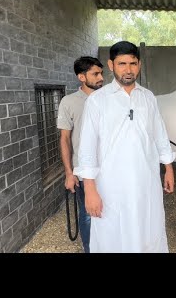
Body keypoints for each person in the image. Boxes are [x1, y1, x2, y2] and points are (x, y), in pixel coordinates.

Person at [74, 41, 176, 253]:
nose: (128, 69)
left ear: (139, 65)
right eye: (122, 63)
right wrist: (90, 189)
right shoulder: (97, 101)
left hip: (146, 181)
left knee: (149, 228)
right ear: (111, 65)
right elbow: (87, 147)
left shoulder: (148, 98)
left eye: (133, 63)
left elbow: (160, 134)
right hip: (111, 186)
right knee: (113, 235)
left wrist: (168, 167)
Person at [57, 56, 104, 253]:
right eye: (96, 74)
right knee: (87, 215)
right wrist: (69, 173)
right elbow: (65, 139)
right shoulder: (68, 102)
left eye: (101, 73)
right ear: (81, 77)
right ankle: (90, 249)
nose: (101, 77)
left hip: (110, 167)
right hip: (84, 170)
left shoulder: (109, 98)